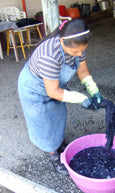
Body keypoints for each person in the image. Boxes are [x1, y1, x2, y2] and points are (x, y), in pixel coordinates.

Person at [18, 18, 103, 175]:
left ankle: (58, 142)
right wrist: (83, 99)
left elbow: (83, 71)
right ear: (63, 41)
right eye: (75, 52)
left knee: (57, 116)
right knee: (44, 122)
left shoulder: (78, 46)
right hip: (35, 89)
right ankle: (53, 155)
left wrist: (93, 90)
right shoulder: (50, 54)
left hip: (54, 86)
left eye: (82, 50)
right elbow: (53, 92)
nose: (79, 54)